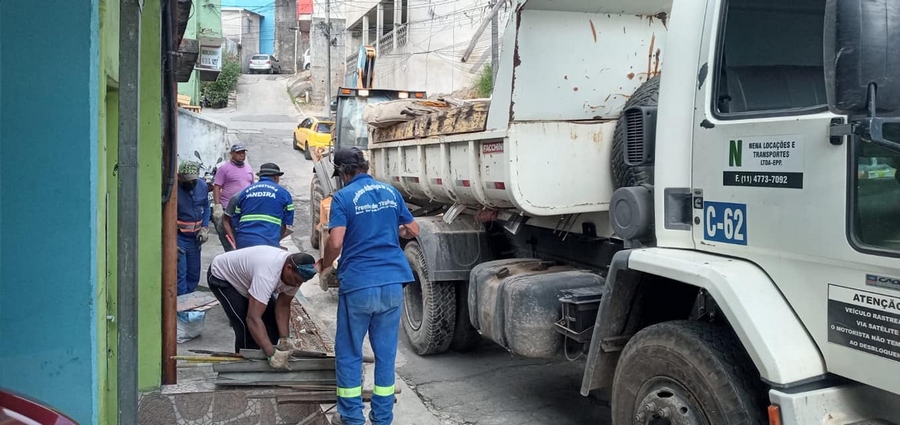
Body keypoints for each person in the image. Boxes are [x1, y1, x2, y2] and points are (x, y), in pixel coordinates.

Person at [319, 147, 420, 425]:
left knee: (350, 352)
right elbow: (413, 229)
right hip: (392, 283)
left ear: (343, 172)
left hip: (360, 284)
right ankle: (382, 419)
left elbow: (336, 242)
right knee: (386, 354)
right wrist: (392, 231)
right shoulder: (390, 192)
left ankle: (352, 418)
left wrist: (325, 263)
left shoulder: (343, 197)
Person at [207, 246, 318, 369]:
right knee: (245, 325)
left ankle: (265, 360)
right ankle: (246, 367)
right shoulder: (267, 274)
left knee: (273, 323)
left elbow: (283, 305)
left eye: (301, 282)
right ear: (288, 268)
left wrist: (285, 339)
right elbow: (253, 318)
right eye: (296, 281)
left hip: (249, 281)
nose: (297, 285)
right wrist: (271, 353)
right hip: (224, 277)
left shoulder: (297, 275)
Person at [231, 162, 295, 249]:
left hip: (243, 241)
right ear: (276, 177)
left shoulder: (245, 192)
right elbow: (285, 223)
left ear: (260, 176)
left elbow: (235, 221)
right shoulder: (283, 193)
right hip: (268, 241)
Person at [176, 160, 211, 295]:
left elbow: (206, 206)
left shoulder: (201, 185)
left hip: (195, 239)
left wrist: (205, 227)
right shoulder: (174, 191)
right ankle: (181, 305)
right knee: (181, 273)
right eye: (188, 181)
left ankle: (189, 299)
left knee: (194, 272)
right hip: (179, 238)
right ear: (180, 177)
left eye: (193, 181)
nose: (191, 184)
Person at [212, 144, 255, 251]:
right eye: (239, 153)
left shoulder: (248, 168)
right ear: (232, 154)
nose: (242, 155)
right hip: (228, 208)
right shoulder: (224, 169)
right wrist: (217, 206)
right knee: (228, 237)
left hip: (244, 209)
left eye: (243, 153)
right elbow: (217, 187)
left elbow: (252, 186)